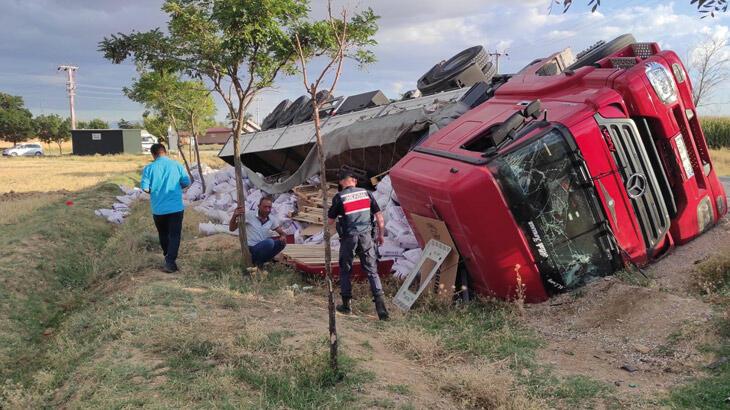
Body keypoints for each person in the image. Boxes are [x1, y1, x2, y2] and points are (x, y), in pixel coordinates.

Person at [327, 169, 389, 320]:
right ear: (354, 180)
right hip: (367, 237)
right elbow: (379, 217)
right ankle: (381, 310)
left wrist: (326, 236)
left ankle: (346, 305)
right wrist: (380, 235)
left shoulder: (339, 197)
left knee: (345, 270)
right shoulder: (367, 193)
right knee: (372, 271)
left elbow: (330, 220)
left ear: (342, 182)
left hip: (349, 238)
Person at [140, 143, 191, 273]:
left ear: (153, 154)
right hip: (175, 207)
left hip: (158, 209)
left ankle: (167, 256)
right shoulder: (177, 165)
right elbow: (186, 182)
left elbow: (145, 188)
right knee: (174, 235)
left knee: (163, 234)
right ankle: (170, 261)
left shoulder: (149, 168)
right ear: (165, 152)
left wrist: (155, 191)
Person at [229, 196, 288, 266]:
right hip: (251, 249)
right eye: (265, 207)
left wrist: (283, 236)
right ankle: (256, 262)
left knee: (281, 243)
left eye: (269, 207)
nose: (267, 210)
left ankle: (260, 262)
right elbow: (232, 229)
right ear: (259, 206)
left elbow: (282, 233)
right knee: (269, 242)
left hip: (263, 247)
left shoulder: (272, 219)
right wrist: (234, 216)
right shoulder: (249, 215)